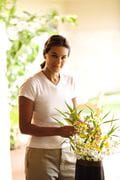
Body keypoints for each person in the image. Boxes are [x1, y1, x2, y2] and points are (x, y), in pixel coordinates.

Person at [18, 34, 78, 180]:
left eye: (63, 57)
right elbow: (24, 127)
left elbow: (75, 118)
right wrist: (58, 131)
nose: (59, 61)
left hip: (69, 152)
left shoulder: (70, 81)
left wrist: (87, 128)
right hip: (41, 154)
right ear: (45, 55)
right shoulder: (32, 84)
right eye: (54, 55)